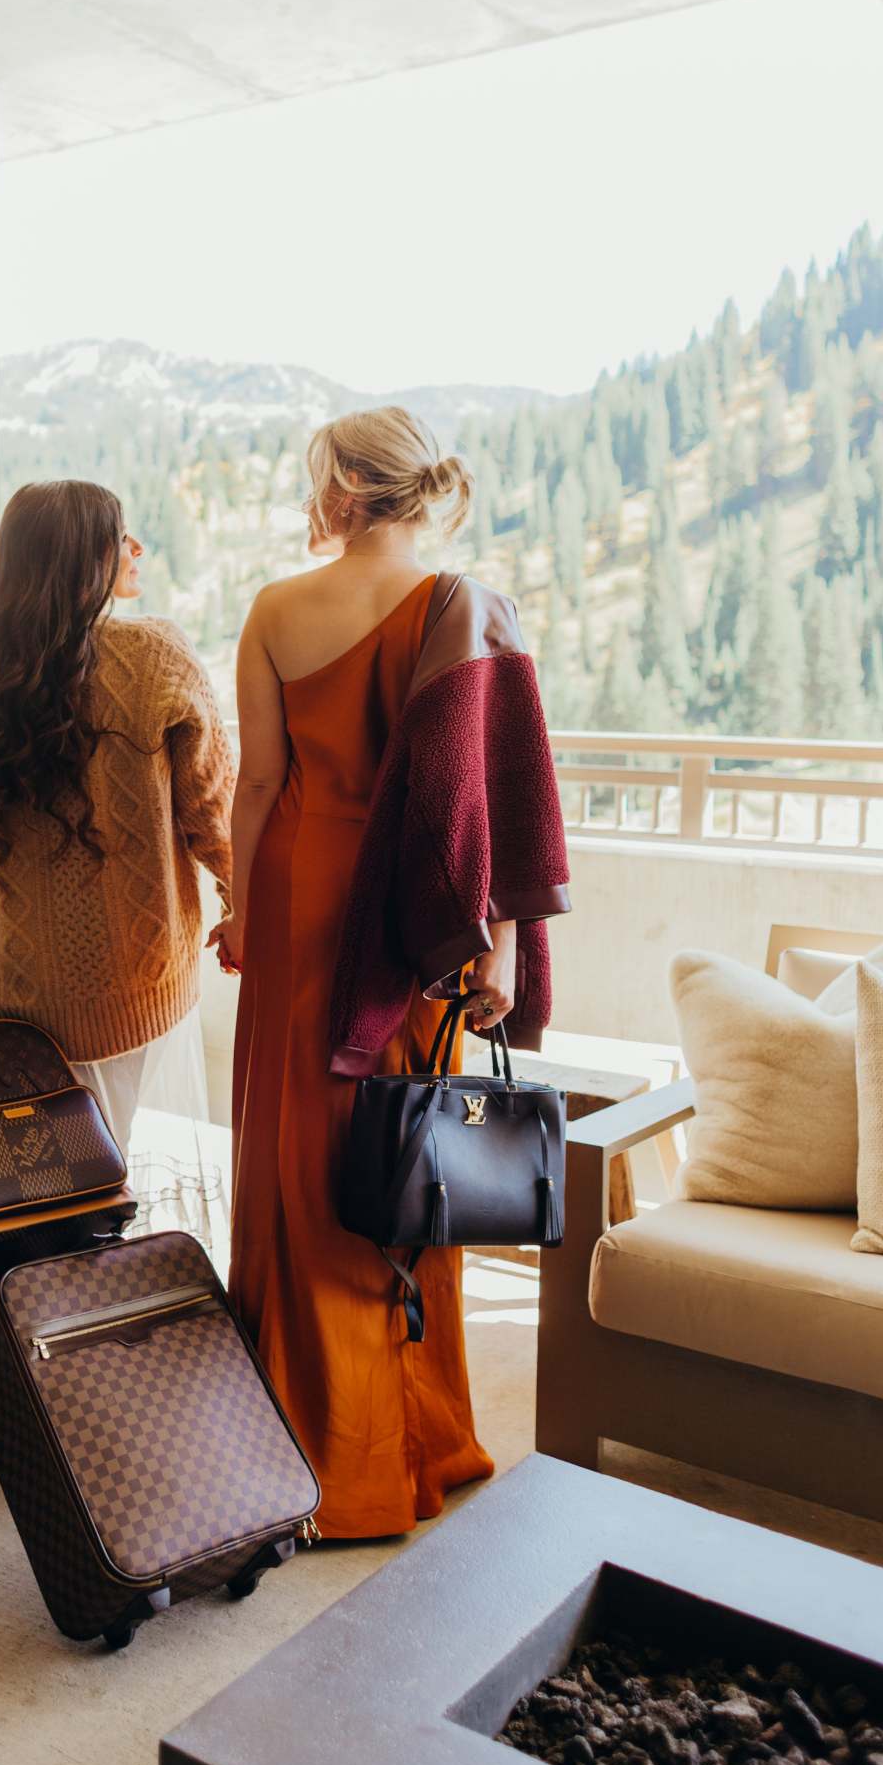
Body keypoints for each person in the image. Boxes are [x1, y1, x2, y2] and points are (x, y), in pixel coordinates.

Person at [216, 407, 570, 1538]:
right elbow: (495, 804)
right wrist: (497, 940)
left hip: (300, 894)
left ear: (341, 490)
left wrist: (240, 908)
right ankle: (417, 1436)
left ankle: (305, 1448)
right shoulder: (467, 609)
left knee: (296, 1158)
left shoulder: (276, 609)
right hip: (412, 919)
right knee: (412, 1151)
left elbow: (258, 786)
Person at [0, 480, 234, 1159]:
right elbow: (212, 811)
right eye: (120, 537)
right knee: (100, 1175)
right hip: (134, 980)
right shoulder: (157, 657)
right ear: (85, 559)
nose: (137, 547)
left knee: (39, 1177)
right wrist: (244, 907)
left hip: (17, 991)